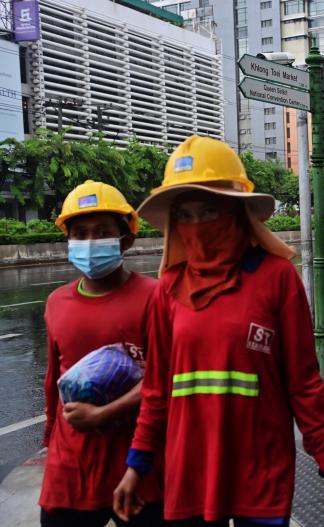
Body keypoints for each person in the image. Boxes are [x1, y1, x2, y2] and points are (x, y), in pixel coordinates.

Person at [112, 136, 324, 526]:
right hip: (190, 470)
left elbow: (303, 383)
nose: (195, 227)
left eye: (208, 211)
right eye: (185, 216)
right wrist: (135, 466)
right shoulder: (168, 291)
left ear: (237, 212)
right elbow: (157, 391)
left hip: (261, 470)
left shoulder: (277, 278)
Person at [41, 181, 163, 527]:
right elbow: (54, 380)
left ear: (126, 240)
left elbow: (164, 378)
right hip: (70, 472)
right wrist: (51, 438)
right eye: (79, 233)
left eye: (102, 232)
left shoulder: (155, 297)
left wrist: (103, 414)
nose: (90, 243)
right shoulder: (56, 303)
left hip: (140, 468)